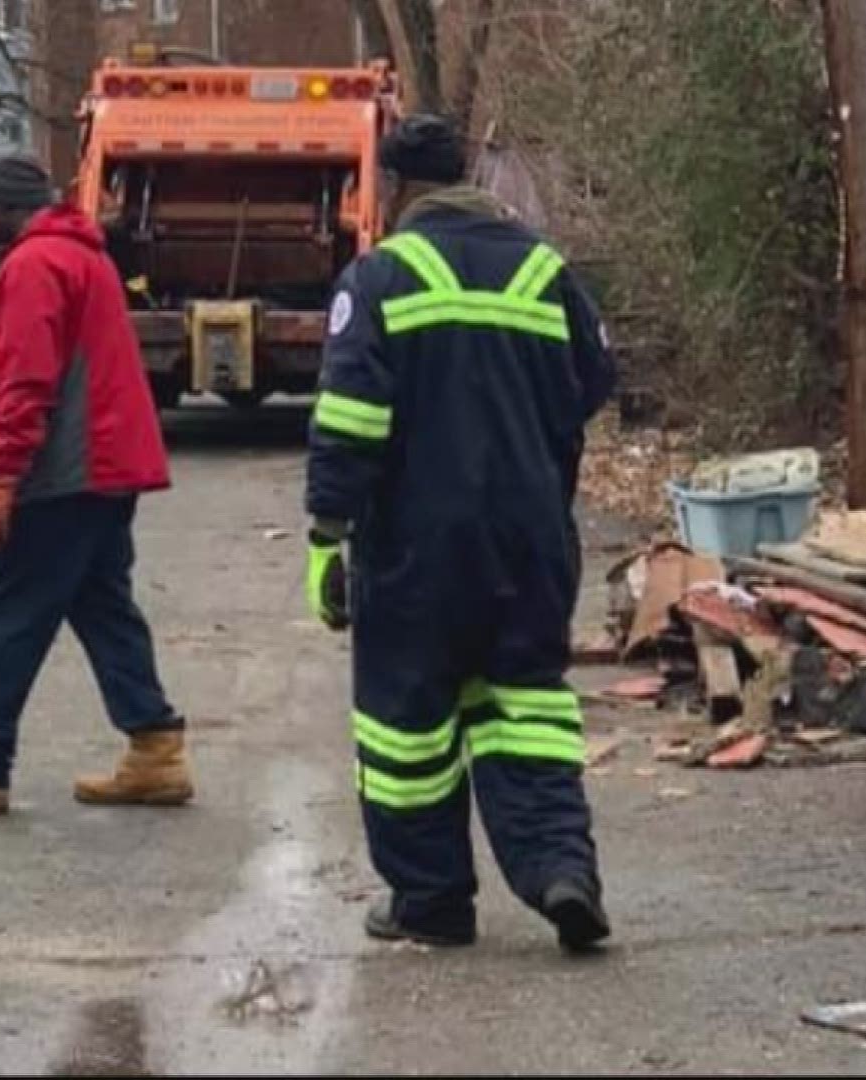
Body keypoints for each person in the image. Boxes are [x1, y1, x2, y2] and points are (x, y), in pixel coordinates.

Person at [304, 115, 619, 953]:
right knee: (529, 709)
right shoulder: (545, 273)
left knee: (406, 725)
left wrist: (326, 535)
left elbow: (349, 421)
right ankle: (562, 870)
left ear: (399, 190)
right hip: (531, 542)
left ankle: (431, 901)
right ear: (471, 177)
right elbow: (594, 382)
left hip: (417, 550)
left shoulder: (380, 278)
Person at [0, 155, 190, 813]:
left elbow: (26, 384)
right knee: (103, 607)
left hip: (65, 473)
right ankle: (155, 748)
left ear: (6, 208)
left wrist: (2, 478)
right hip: (111, 468)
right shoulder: (88, 258)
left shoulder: (32, 266)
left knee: (4, 617)